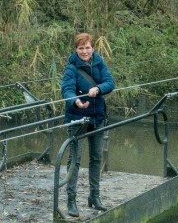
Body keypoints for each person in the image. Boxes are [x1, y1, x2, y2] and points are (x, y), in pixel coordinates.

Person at [61, 32, 115, 217]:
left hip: (98, 117)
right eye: (81, 48)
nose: (85, 51)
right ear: (76, 49)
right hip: (77, 118)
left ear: (93, 48)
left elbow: (110, 82)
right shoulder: (71, 68)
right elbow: (66, 90)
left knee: (96, 157)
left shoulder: (99, 62)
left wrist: (98, 88)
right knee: (75, 160)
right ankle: (71, 200)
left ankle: (94, 196)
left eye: (88, 47)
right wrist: (75, 101)